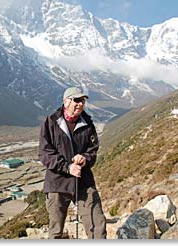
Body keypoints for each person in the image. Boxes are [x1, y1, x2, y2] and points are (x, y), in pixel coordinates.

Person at [39, 87, 107, 239]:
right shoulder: (51, 122)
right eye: (76, 100)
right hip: (57, 183)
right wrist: (67, 167)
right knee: (56, 231)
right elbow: (45, 153)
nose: (80, 104)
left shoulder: (88, 123)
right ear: (66, 101)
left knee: (97, 225)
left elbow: (93, 150)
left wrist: (84, 159)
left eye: (82, 101)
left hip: (84, 181)